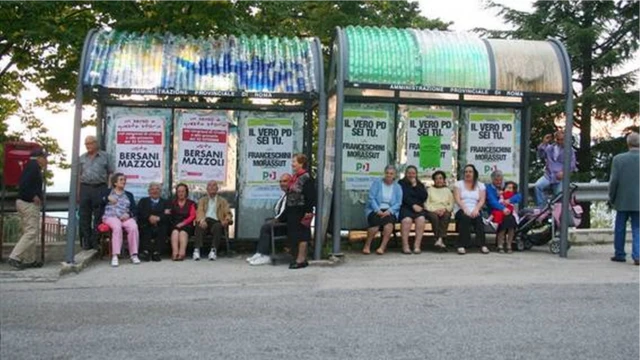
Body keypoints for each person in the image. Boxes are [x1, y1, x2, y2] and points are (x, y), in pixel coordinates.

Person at [8, 148, 47, 270]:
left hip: (23, 202)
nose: (46, 161)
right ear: (39, 158)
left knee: (29, 231)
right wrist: (34, 196)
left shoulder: (30, 166)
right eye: (45, 158)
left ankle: (30, 259)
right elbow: (24, 185)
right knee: (31, 232)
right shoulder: (33, 167)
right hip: (28, 203)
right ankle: (15, 257)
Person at [608, 132, 640, 266]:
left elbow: (614, 181)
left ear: (628, 143)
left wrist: (612, 197)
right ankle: (638, 254)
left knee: (620, 227)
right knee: (638, 228)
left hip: (622, 199)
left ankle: (619, 253)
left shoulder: (618, 159)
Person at [247, 173, 291, 266]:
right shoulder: (284, 195)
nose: (282, 183)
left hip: (286, 226)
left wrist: (278, 219)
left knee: (266, 227)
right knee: (266, 225)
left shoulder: (292, 195)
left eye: (285, 181)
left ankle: (265, 256)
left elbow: (288, 212)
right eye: (280, 181)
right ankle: (260, 253)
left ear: (291, 182)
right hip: (280, 222)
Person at [78, 135, 112, 250]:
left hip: (100, 187)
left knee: (99, 215)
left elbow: (110, 173)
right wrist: (79, 192)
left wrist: (108, 190)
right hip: (85, 187)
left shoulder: (105, 156)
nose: (88, 146)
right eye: (86, 144)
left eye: (90, 143)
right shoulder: (82, 158)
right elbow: (78, 176)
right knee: (84, 216)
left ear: (96, 143)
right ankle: (86, 241)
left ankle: (95, 240)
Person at [100, 173, 140, 267]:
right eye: (121, 180)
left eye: (124, 180)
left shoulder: (129, 195)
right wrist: (106, 198)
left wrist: (128, 214)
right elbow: (97, 202)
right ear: (115, 183)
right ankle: (115, 255)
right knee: (117, 227)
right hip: (111, 216)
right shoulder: (107, 192)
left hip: (125, 217)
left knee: (133, 226)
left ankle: (134, 254)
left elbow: (134, 209)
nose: (124, 181)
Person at [363, 165, 403, 256]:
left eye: (391, 174)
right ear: (384, 174)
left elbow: (398, 203)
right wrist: (377, 210)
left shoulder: (397, 187)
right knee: (375, 225)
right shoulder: (377, 183)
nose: (389, 175)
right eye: (387, 173)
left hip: (390, 210)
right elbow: (371, 198)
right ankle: (367, 245)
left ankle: (382, 247)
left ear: (395, 175)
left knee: (388, 225)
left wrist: (389, 211)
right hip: (375, 208)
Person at [286, 154, 316, 269]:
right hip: (293, 209)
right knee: (295, 234)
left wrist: (308, 211)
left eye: (294, 161)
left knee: (302, 234)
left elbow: (309, 195)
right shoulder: (296, 177)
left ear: (301, 163)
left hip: (302, 210)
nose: (292, 164)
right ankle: (297, 257)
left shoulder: (306, 177)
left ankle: (301, 259)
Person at [534, 131, 577, 207]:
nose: (560, 141)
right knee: (538, 186)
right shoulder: (550, 148)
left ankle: (555, 210)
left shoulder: (570, 150)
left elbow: (572, 165)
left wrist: (564, 172)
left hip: (560, 177)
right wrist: (544, 143)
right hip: (549, 175)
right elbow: (541, 155)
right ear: (555, 139)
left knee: (559, 195)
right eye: (558, 139)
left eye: (562, 139)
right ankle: (542, 207)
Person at [453, 164, 489, 255]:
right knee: (465, 217)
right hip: (461, 208)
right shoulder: (458, 184)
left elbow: (482, 200)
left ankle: (482, 245)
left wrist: (476, 209)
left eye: (470, 172)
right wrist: (465, 209)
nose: (468, 174)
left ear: (474, 173)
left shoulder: (480, 185)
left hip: (475, 208)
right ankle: (462, 245)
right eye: (466, 172)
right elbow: (457, 199)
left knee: (478, 218)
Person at [194, 181, 233, 261]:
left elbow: (228, 213)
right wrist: (201, 220)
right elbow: (200, 211)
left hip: (216, 221)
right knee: (199, 225)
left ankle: (213, 250)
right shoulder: (202, 200)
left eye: (214, 186)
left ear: (217, 189)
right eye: (210, 186)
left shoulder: (222, 201)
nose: (212, 187)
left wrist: (226, 220)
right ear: (207, 189)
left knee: (218, 226)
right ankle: (197, 250)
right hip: (205, 220)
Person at [486, 170, 522, 254]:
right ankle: (500, 245)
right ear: (492, 179)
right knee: (504, 221)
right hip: (495, 212)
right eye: (496, 180)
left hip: (508, 211)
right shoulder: (488, 188)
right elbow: (492, 202)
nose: (499, 182)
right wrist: (503, 208)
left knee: (511, 220)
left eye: (500, 180)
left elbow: (518, 196)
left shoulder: (506, 186)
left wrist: (509, 200)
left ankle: (509, 244)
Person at [137, 182, 171, 262]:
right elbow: (140, 212)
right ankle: (146, 251)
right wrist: (149, 217)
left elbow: (168, 215)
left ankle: (157, 252)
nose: (155, 191)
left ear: (160, 191)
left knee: (163, 228)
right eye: (152, 189)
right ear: (149, 191)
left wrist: (158, 218)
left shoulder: (166, 202)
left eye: (157, 189)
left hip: (160, 224)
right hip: (146, 223)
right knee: (145, 228)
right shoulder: (143, 201)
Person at [398, 166, 427, 254]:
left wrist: (415, 186)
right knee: (407, 220)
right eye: (409, 173)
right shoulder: (401, 183)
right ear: (406, 174)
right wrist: (412, 205)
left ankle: (417, 245)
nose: (411, 175)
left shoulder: (420, 184)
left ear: (416, 174)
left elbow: (423, 197)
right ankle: (405, 245)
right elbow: (403, 197)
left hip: (418, 208)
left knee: (421, 219)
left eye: (413, 173)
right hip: (406, 207)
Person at [425, 171, 454, 251]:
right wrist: (435, 210)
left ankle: (438, 239)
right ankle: (440, 239)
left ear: (444, 180)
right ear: (434, 180)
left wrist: (445, 209)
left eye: (440, 178)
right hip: (432, 211)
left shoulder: (447, 190)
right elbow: (426, 204)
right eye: (436, 179)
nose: (439, 180)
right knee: (434, 217)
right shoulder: (429, 190)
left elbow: (451, 204)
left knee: (446, 215)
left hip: (444, 210)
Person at [169, 183, 196, 261]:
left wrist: (183, 223)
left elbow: (193, 216)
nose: (181, 193)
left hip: (187, 224)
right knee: (175, 232)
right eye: (179, 191)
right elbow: (169, 214)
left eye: (183, 191)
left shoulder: (191, 203)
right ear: (176, 193)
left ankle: (182, 253)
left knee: (182, 233)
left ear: (186, 192)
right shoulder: (172, 203)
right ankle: (175, 252)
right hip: (175, 224)